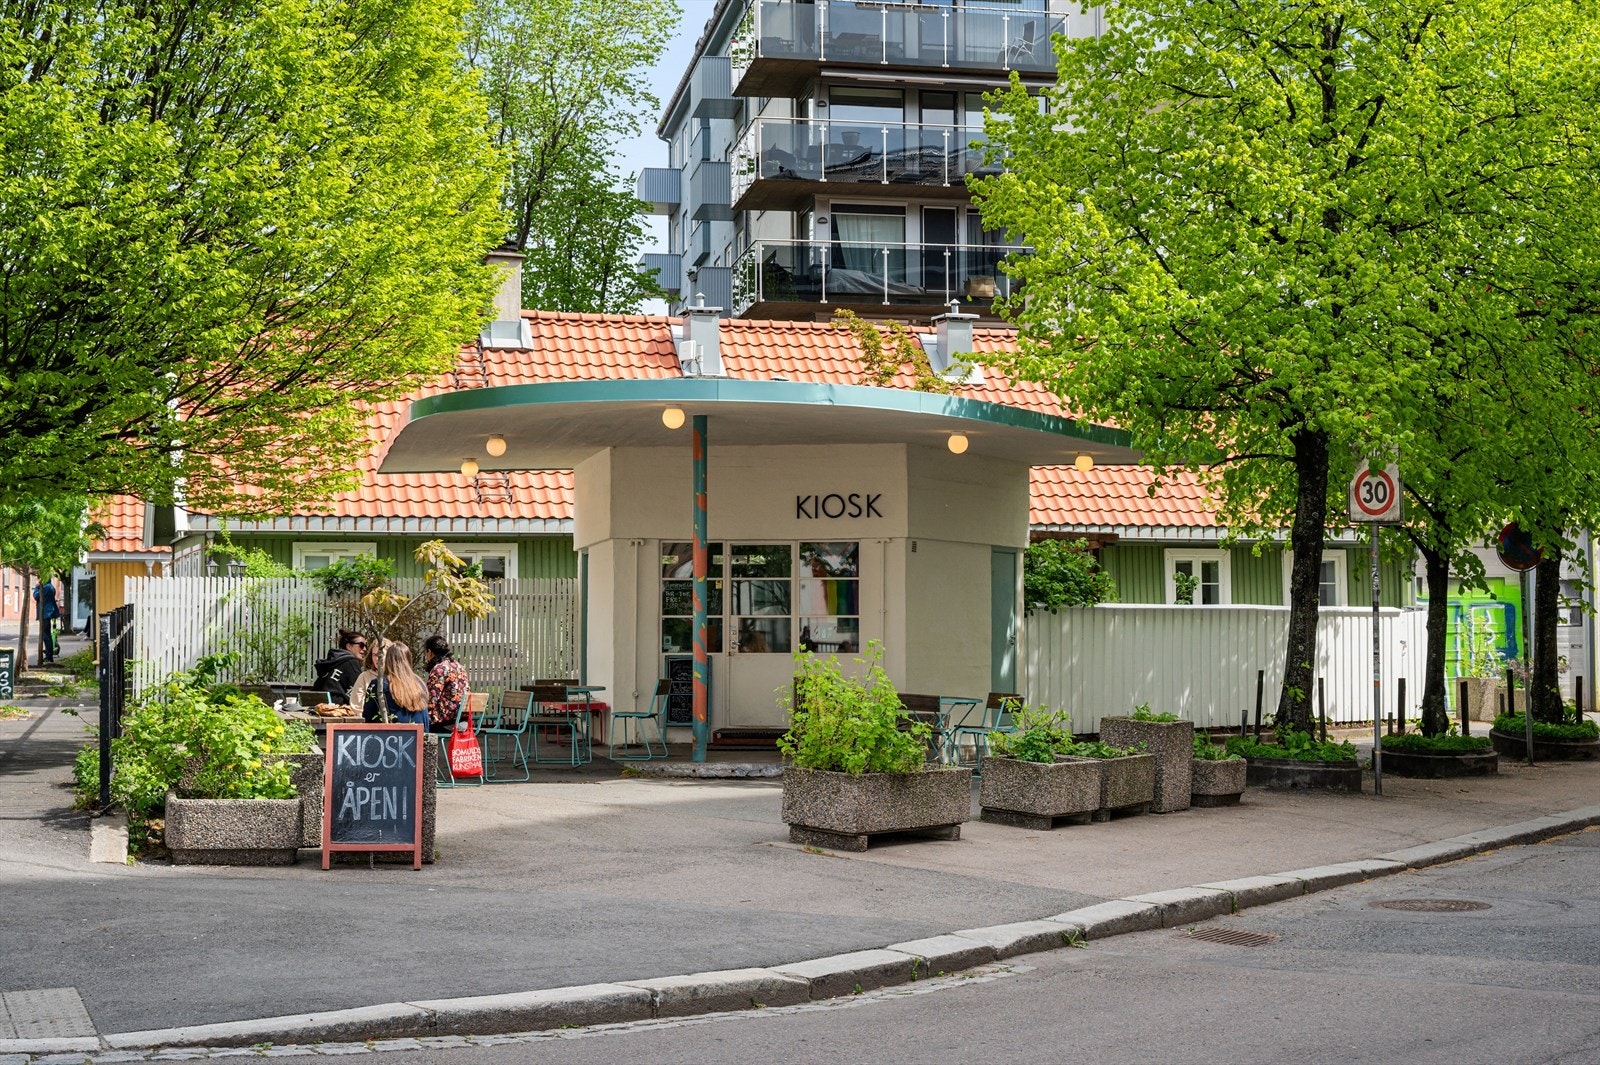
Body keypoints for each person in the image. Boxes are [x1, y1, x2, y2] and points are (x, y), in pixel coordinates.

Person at [423, 635, 470, 735]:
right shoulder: (459, 666)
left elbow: (430, 700)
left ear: (430, 652)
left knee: (414, 720)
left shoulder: (439, 669)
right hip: (462, 720)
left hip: (445, 721)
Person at [378, 641, 429, 726]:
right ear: (408, 660)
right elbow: (425, 718)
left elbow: (369, 717)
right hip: (420, 732)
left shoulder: (380, 684)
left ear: (387, 660)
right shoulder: (419, 683)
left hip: (391, 733)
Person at [310, 629, 366, 705]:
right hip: (336, 707)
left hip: (315, 703)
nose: (365, 649)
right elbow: (358, 694)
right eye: (361, 645)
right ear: (349, 646)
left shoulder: (332, 662)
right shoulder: (351, 662)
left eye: (365, 646)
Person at [349, 638, 387, 723]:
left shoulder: (397, 678)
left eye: (381, 655)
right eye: (374, 655)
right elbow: (356, 707)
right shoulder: (364, 677)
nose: (377, 658)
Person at [32, 576, 59, 664]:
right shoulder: (51, 587)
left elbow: (36, 596)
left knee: (46, 635)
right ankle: (48, 654)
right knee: (47, 634)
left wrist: (37, 587)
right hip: (48, 612)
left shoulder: (45, 587)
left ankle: (49, 656)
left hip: (45, 613)